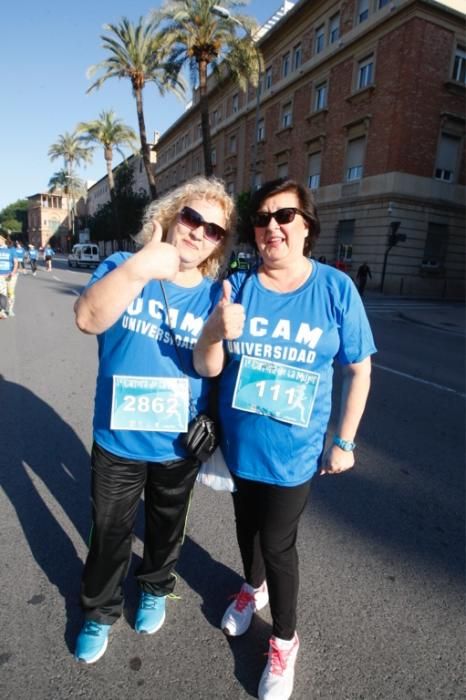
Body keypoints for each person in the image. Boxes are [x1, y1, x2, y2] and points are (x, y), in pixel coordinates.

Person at [194, 178, 376, 700]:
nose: (271, 226)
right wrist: (214, 327)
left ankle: (284, 641)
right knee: (247, 533)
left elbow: (359, 371)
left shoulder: (336, 290)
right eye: (262, 218)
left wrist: (345, 442)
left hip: (294, 456)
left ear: (306, 226)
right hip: (238, 447)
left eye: (284, 216)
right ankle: (252, 591)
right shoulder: (240, 287)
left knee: (277, 543)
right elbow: (209, 367)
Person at [73, 176, 234, 665]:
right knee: (109, 530)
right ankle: (99, 611)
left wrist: (214, 337)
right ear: (168, 215)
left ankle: (155, 587)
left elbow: (213, 369)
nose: (198, 233)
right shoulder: (123, 266)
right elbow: (86, 318)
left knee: (166, 528)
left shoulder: (213, 295)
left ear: (218, 244)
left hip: (178, 443)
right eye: (191, 218)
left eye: (213, 230)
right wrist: (143, 266)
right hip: (118, 438)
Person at [0, 235, 19, 318]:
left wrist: (13, 272)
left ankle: (10, 310)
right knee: (2, 293)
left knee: (10, 293)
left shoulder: (11, 249)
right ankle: (2, 311)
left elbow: (16, 262)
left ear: (3, 239)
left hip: (11, 275)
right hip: (1, 275)